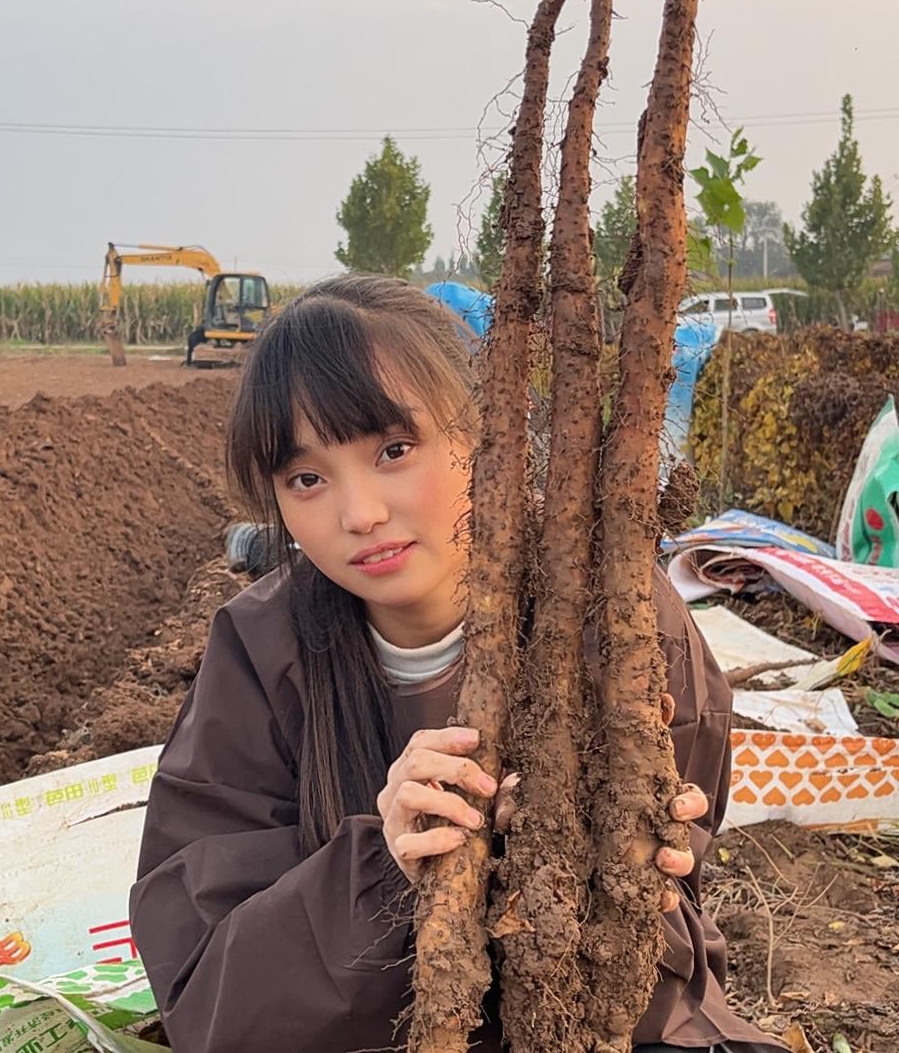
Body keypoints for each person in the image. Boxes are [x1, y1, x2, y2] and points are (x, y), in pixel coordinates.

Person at [130, 274, 786, 1053]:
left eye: (394, 450)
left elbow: (679, 864)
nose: (360, 513)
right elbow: (207, 989)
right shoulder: (262, 656)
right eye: (306, 478)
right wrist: (389, 867)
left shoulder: (618, 618)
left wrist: (620, 860)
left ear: (481, 434)